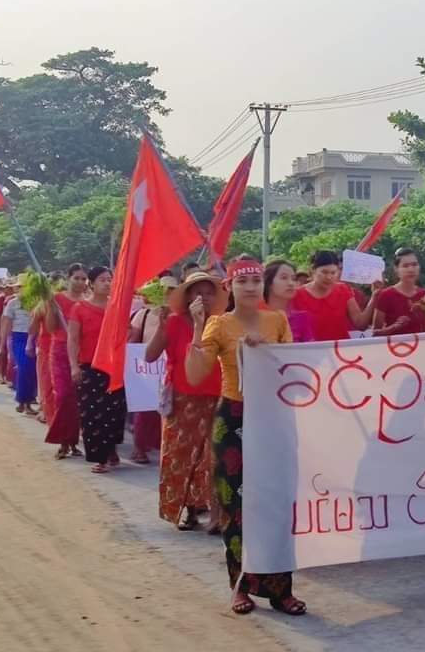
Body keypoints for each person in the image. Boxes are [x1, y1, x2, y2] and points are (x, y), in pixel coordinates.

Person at [185, 256, 306, 617]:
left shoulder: (277, 320)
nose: (250, 288)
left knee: (278, 504)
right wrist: (196, 327)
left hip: (273, 417)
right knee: (236, 506)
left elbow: (293, 368)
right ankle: (240, 585)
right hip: (234, 418)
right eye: (243, 282)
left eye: (255, 281)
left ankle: (281, 590)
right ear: (230, 288)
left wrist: (267, 351)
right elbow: (196, 374)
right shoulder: (219, 325)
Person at [146, 270, 225, 532]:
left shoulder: (222, 323)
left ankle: (215, 514)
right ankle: (186, 509)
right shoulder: (174, 322)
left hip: (219, 395)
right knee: (179, 454)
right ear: (188, 296)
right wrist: (160, 326)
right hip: (182, 396)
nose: (203, 296)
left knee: (215, 457)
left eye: (208, 291)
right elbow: (149, 355)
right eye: (197, 291)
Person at [69, 266, 126, 474]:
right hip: (90, 367)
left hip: (114, 368)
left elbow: (126, 333)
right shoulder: (80, 308)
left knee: (115, 411)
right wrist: (74, 365)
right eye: (102, 279)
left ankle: (111, 449)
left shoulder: (117, 307)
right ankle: (99, 457)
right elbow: (73, 339)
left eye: (110, 279)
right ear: (91, 283)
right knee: (93, 413)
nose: (107, 283)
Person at [128, 274, 180, 464]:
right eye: (165, 290)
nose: (168, 294)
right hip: (146, 366)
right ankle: (139, 447)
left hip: (170, 366)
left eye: (173, 291)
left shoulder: (181, 315)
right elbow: (133, 341)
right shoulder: (144, 314)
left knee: (166, 409)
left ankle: (159, 444)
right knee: (145, 409)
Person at [45, 264, 88, 458]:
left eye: (83, 278)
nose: (80, 282)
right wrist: (52, 310)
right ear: (68, 278)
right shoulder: (57, 299)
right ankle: (63, 440)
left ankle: (72, 441)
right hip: (60, 351)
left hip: (82, 353)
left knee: (77, 399)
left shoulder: (88, 301)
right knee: (62, 396)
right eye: (76, 278)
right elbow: (50, 327)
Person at [291, 250, 378, 341]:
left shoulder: (343, 290)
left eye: (333, 273)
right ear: (313, 270)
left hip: (339, 351)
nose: (329, 277)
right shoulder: (297, 295)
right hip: (311, 351)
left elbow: (360, 324)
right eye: (324, 272)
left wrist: (374, 295)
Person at [373, 248, 425, 336]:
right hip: (393, 347)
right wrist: (394, 326)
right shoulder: (386, 295)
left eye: (414, 264)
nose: (411, 269)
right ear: (396, 269)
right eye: (405, 266)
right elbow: (375, 333)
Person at [2, 287, 37, 415]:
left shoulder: (37, 302)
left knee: (32, 370)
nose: (21, 290)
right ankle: (22, 400)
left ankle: (28, 401)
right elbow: (6, 323)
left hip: (35, 338)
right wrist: (3, 345)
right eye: (19, 288)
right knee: (24, 368)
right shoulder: (12, 303)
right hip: (19, 338)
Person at [264, 259, 315, 342]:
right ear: (269, 283)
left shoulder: (302, 318)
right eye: (284, 278)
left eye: (293, 279)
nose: (291, 283)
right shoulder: (255, 318)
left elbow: (311, 351)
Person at [27, 296, 55, 425]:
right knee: (45, 382)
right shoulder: (43, 305)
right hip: (45, 348)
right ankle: (45, 410)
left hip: (63, 349)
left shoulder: (76, 302)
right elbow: (32, 329)